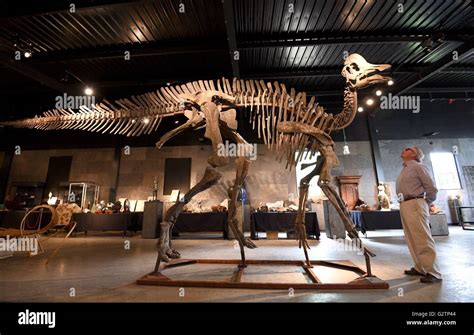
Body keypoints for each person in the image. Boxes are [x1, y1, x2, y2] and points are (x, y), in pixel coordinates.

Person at [396, 146, 442, 283]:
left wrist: (424, 202)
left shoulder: (418, 167)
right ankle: (420, 267)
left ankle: (434, 272)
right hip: (405, 204)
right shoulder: (405, 168)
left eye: (408, 149)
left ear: (415, 154)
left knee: (422, 237)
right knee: (411, 238)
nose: (404, 149)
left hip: (415, 202)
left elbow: (432, 188)